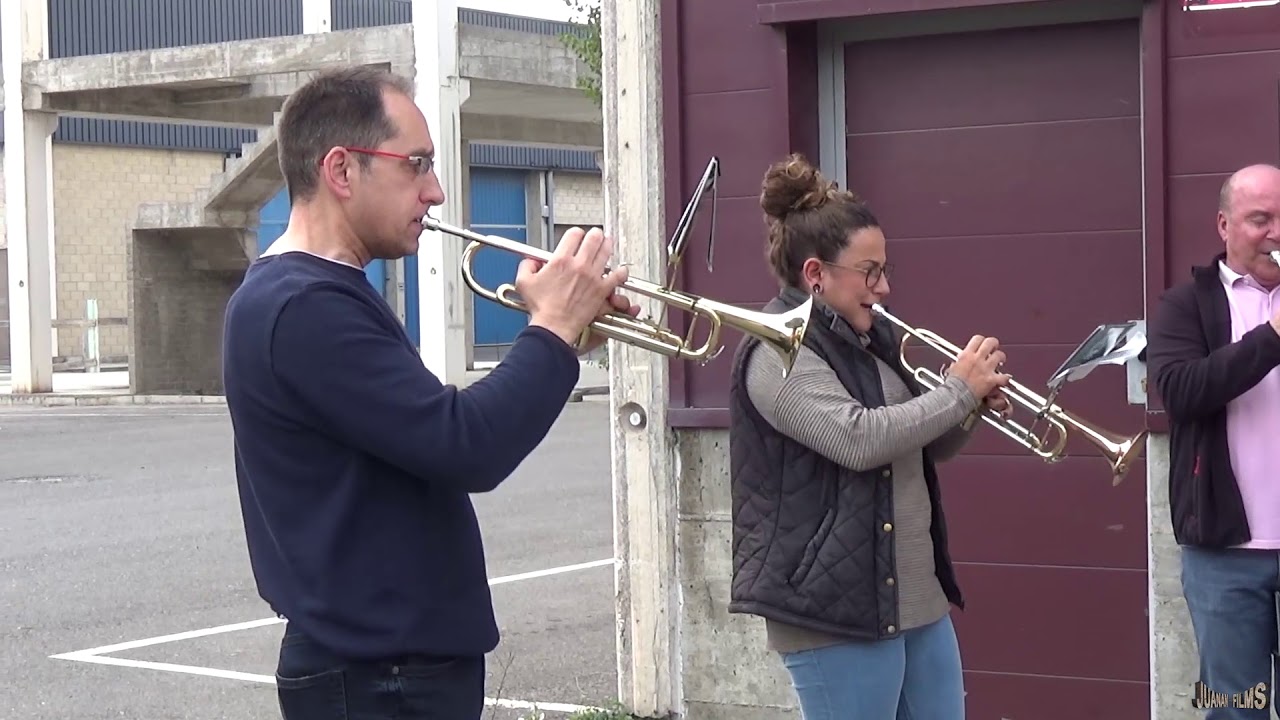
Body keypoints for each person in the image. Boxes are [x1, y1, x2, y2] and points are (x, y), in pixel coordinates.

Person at [220, 66, 637, 720]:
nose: (436, 192)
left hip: (386, 666)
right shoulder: (303, 305)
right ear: (341, 170)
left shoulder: (316, 292)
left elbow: (423, 434)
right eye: (416, 165)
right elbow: (466, 445)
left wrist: (567, 334)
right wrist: (552, 328)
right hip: (376, 676)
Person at [726, 154, 1013, 720]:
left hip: (915, 599)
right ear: (816, 275)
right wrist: (955, 392)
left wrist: (968, 409)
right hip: (832, 610)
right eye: (870, 272)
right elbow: (857, 440)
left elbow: (920, 446)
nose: (885, 287)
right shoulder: (776, 352)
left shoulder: (871, 339)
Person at [1146, 163, 1280, 719]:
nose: (1276, 232)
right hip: (1225, 552)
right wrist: (1272, 337)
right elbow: (1181, 391)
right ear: (1223, 226)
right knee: (1233, 708)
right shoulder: (1184, 305)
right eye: (1260, 219)